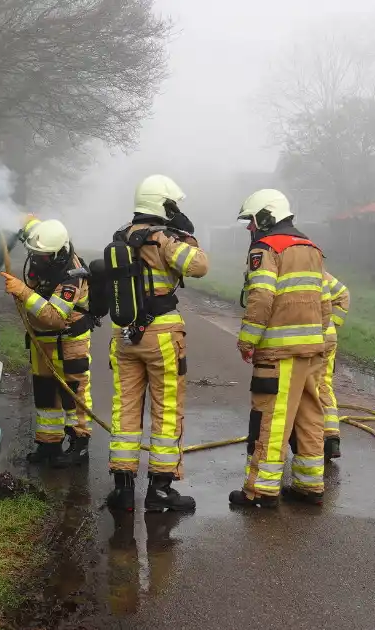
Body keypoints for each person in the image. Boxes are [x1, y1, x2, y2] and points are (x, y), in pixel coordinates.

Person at [106, 174, 209, 513]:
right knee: (166, 412)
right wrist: (188, 234)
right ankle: (160, 491)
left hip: (124, 336)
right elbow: (199, 266)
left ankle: (122, 490)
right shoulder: (162, 239)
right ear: (163, 205)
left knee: (125, 410)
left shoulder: (121, 237)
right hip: (162, 335)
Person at [230, 189, 331, 508]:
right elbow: (324, 301)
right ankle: (309, 484)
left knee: (269, 418)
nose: (250, 228)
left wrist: (248, 339)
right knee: (309, 416)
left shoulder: (266, 248)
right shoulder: (312, 247)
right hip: (312, 350)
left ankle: (260, 490)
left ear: (266, 216)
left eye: (252, 220)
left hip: (278, 354)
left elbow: (260, 297)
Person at [0, 216, 95, 468]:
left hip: (68, 342)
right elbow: (32, 228)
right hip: (41, 341)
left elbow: (54, 316)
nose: (37, 260)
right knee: (45, 393)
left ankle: (79, 444)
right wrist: (24, 220)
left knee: (72, 394)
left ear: (57, 254)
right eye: (34, 254)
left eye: (42, 257)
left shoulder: (71, 276)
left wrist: (22, 291)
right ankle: (49, 445)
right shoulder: (45, 242)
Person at [320, 270, 350, 460]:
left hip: (306, 337)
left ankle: (304, 441)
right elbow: (343, 295)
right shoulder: (318, 271)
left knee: (299, 387)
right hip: (327, 337)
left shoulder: (281, 268)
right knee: (323, 384)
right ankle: (331, 437)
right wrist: (333, 325)